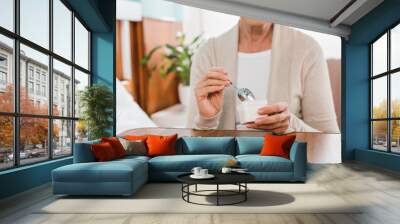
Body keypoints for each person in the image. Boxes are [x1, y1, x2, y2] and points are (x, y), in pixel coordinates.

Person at [186, 17, 339, 134]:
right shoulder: (208, 53)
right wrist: (207, 120)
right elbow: (190, 146)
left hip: (287, 172)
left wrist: (290, 125)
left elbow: (329, 141)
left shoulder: (306, 49)